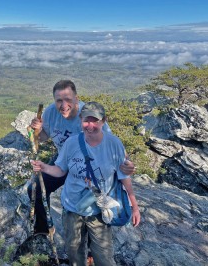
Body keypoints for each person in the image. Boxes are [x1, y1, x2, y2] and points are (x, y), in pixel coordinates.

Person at [31, 101, 140, 266]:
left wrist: (134, 205)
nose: (90, 125)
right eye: (86, 120)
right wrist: (44, 167)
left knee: (104, 258)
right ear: (80, 120)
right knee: (75, 256)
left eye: (95, 120)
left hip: (98, 211)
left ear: (103, 121)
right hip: (72, 208)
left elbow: (124, 175)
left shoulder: (113, 144)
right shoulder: (72, 143)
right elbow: (60, 170)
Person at [28, 80, 135, 234]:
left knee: (90, 204)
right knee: (36, 188)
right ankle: (43, 231)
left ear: (76, 99)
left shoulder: (88, 116)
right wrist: (37, 130)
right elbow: (44, 137)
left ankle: (93, 247)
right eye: (59, 100)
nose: (63, 105)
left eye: (68, 100)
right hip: (64, 161)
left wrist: (127, 162)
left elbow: (111, 143)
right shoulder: (50, 112)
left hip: (90, 165)